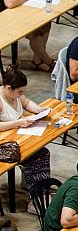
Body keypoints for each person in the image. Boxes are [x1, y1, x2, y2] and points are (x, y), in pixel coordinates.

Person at [0, 66, 52, 213]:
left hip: (20, 137)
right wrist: (17, 123)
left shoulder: (17, 95)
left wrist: (39, 110)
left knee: (43, 152)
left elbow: (27, 103)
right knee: (35, 157)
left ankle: (39, 190)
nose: (21, 94)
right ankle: (34, 199)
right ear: (8, 88)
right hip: (6, 144)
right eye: (19, 92)